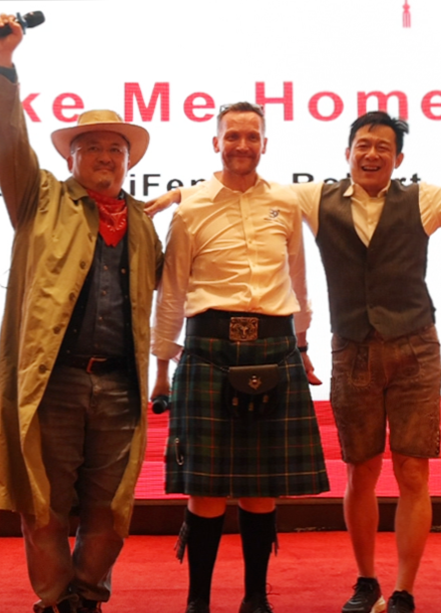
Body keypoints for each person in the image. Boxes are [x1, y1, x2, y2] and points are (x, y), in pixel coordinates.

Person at [149, 110, 441, 613]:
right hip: (349, 350)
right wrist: (180, 195)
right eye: (363, 145)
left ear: (399, 159)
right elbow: (236, 189)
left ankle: (403, 590)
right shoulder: (311, 198)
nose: (372, 153)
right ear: (346, 153)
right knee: (359, 471)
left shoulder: (421, 199)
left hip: (414, 349)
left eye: (383, 147)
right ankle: (365, 583)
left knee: (412, 471)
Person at [0, 13, 163, 613]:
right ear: (72, 157)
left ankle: (86, 594)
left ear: (128, 161)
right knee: (44, 504)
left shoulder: (142, 223)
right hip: (55, 381)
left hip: (119, 386)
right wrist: (3, 65)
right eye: (92, 147)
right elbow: (6, 140)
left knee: (112, 507)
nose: (106, 157)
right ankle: (56, 599)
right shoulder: (40, 198)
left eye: (116, 149)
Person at [151, 102, 330, 613]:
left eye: (252, 137)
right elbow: (172, 292)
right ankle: (198, 603)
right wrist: (161, 370)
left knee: (261, 489)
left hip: (275, 348)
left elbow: (298, 279)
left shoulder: (286, 204)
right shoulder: (190, 209)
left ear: (265, 144)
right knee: (205, 492)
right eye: (232, 136)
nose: (242, 145)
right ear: (216, 143)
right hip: (207, 350)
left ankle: (255, 599)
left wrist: (302, 346)